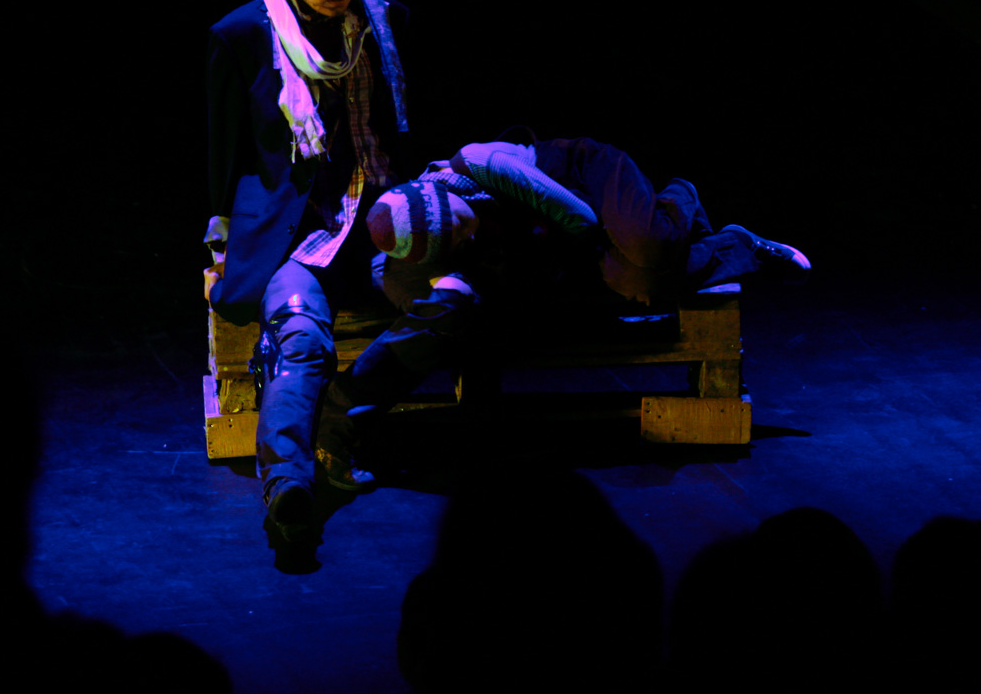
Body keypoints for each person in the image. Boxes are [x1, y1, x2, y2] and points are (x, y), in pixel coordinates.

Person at [313, 129, 810, 490]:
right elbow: (430, 325)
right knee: (639, 281)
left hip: (584, 186)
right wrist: (457, 291)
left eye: (467, 223)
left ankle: (680, 199)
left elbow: (583, 225)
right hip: (546, 243)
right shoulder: (403, 271)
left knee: (647, 248)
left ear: (446, 196)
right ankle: (732, 246)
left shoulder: (485, 165)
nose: (472, 233)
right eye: (460, 242)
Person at [205, 0, 418, 549]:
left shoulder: (384, 20)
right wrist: (219, 242)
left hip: (383, 226)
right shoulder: (244, 35)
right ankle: (288, 486)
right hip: (301, 236)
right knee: (300, 338)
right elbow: (225, 155)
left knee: (455, 301)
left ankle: (338, 424)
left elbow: (411, 128)